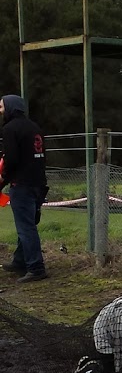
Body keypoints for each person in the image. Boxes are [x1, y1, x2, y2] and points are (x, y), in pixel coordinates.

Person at [0, 93, 49, 282]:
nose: (1, 111)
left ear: (11, 108)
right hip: (38, 183)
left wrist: (3, 178)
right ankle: (20, 261)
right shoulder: (34, 127)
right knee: (28, 223)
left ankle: (36, 267)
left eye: (2, 107)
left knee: (26, 228)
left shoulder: (10, 129)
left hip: (21, 185)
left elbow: (11, 159)